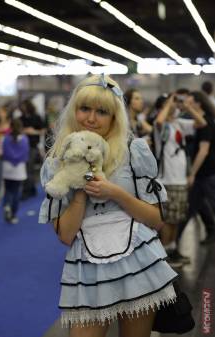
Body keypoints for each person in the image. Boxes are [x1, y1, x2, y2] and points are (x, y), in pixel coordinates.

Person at [39, 75, 178, 337]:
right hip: (87, 268)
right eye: (85, 109)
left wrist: (114, 192)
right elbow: (66, 235)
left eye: (102, 111)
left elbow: (156, 219)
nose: (91, 118)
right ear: (74, 111)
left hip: (138, 261)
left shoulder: (133, 151)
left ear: (115, 117)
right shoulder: (56, 163)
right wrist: (81, 191)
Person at [154, 93, 207, 267]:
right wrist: (169, 103)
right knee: (168, 218)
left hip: (180, 179)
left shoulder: (179, 124)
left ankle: (172, 249)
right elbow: (160, 121)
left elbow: (201, 122)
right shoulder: (160, 126)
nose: (176, 106)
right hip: (167, 179)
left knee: (177, 218)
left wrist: (187, 106)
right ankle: (165, 254)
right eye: (172, 104)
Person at [177, 91, 215, 245]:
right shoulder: (203, 120)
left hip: (205, 172)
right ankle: (211, 229)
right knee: (198, 204)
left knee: (192, 206)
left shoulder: (206, 122)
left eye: (190, 102)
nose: (187, 104)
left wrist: (192, 173)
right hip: (205, 172)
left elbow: (203, 151)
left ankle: (174, 242)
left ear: (198, 103)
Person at [2, 119, 29, 224]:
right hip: (19, 169)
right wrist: (17, 160)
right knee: (16, 192)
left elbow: (5, 153)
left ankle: (6, 205)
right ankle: (13, 215)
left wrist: (12, 160)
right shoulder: (24, 139)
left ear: (11, 127)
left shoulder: (6, 138)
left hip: (7, 167)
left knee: (8, 190)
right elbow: (25, 154)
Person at [19, 99, 46, 199]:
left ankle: (28, 190)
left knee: (29, 169)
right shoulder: (20, 118)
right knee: (24, 169)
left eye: (24, 106)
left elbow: (43, 131)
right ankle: (31, 188)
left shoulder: (37, 117)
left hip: (32, 146)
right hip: (21, 146)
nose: (23, 108)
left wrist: (32, 131)